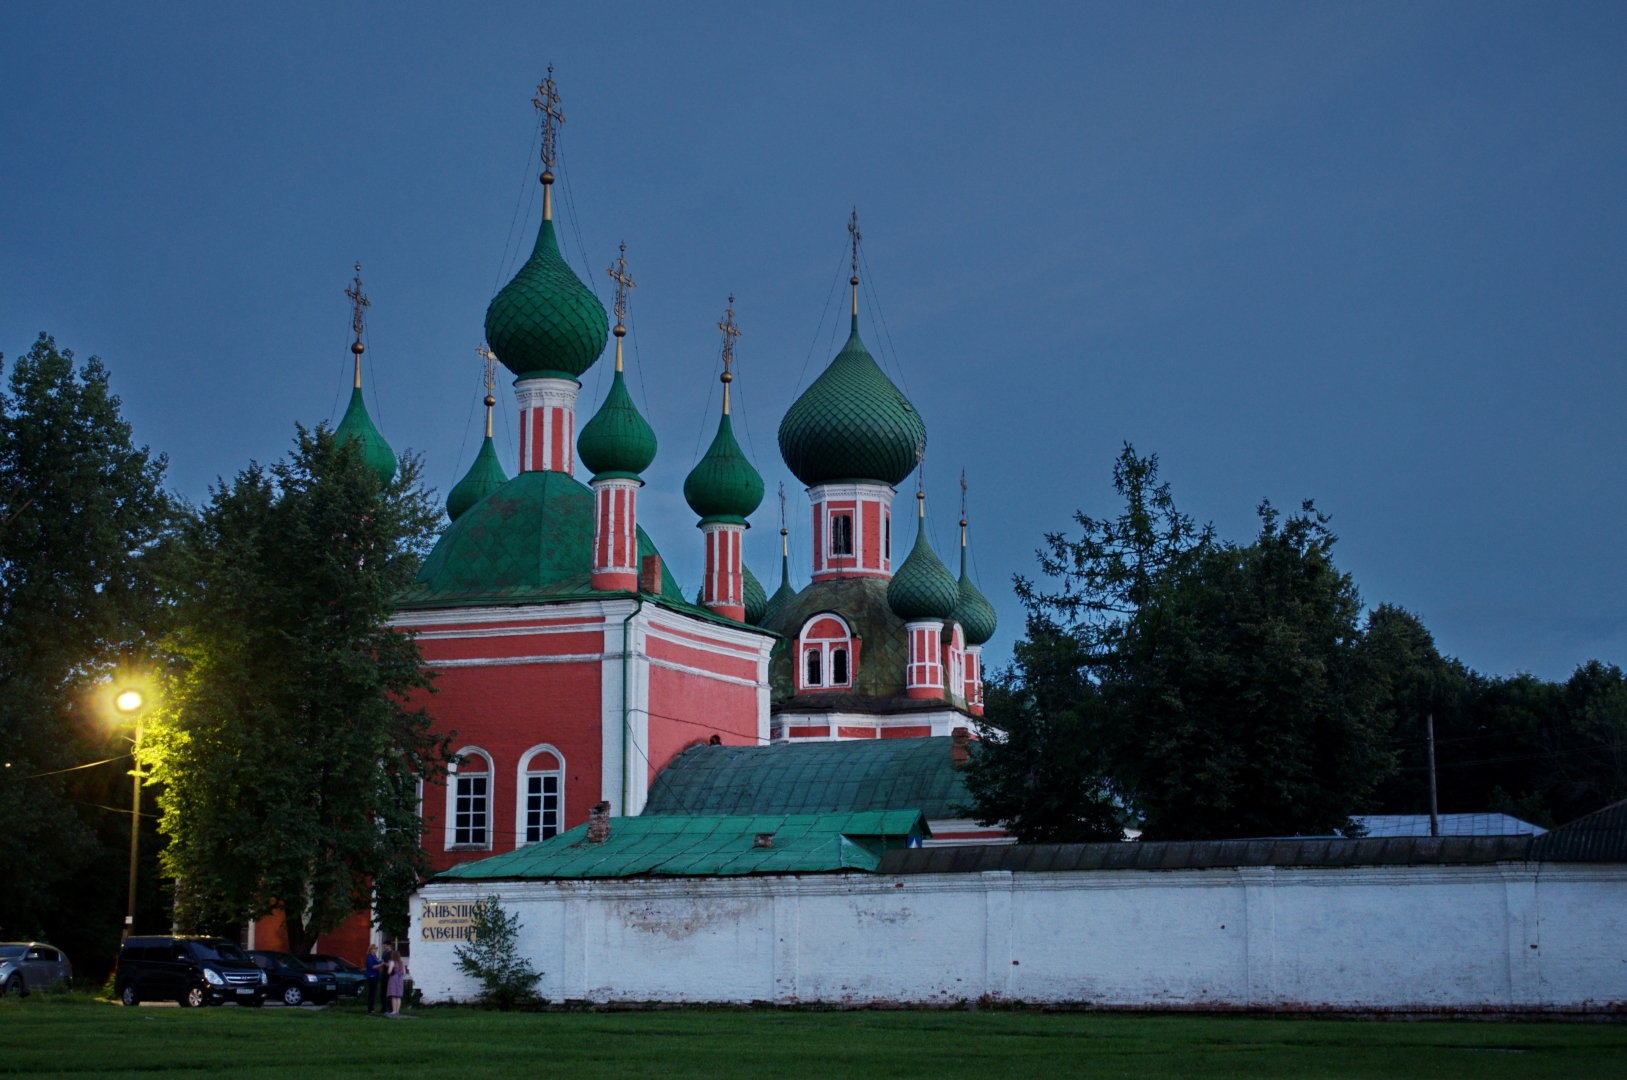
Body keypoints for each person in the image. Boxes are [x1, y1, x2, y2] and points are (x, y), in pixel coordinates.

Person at [385, 948, 408, 1017]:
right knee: (398, 996)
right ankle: (397, 1011)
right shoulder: (401, 962)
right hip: (400, 979)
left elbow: (389, 971)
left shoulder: (392, 962)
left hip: (393, 978)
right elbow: (404, 973)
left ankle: (394, 1011)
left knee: (393, 995)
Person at [363, 944, 380, 1014]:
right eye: (374, 949)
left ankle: (372, 1008)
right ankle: (370, 1009)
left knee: (373, 992)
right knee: (372, 992)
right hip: (371, 975)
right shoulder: (370, 956)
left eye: (376, 949)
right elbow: (372, 966)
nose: (375, 950)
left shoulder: (374, 956)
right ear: (370, 949)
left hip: (375, 975)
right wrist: (380, 964)